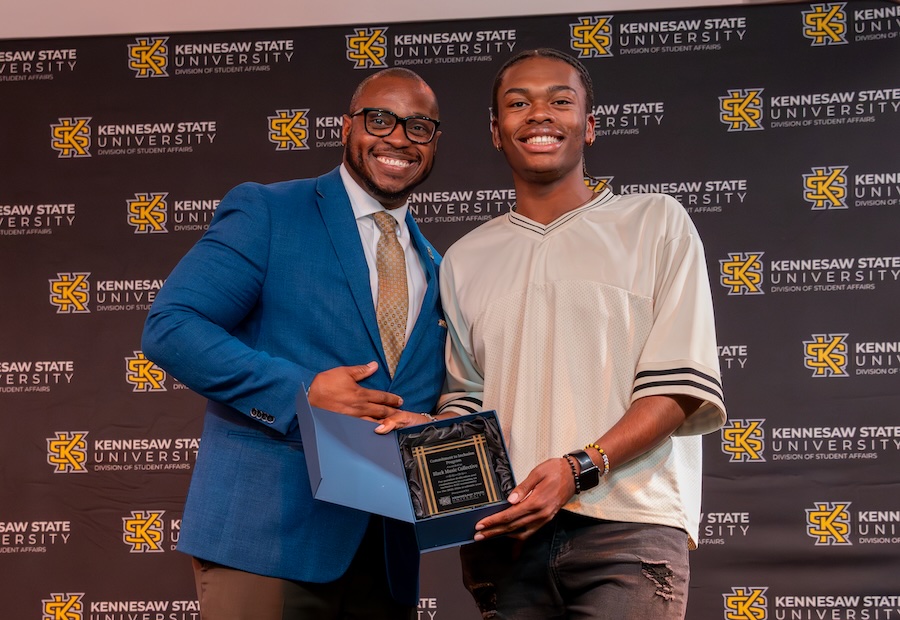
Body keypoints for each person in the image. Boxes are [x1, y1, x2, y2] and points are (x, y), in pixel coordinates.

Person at [142, 68, 449, 620]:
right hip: (267, 538)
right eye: (380, 119)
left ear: (434, 142)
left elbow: (434, 394)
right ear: (345, 127)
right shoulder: (269, 212)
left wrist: (433, 425)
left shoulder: (441, 267)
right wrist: (302, 391)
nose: (399, 138)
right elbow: (173, 324)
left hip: (385, 556)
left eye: (419, 127)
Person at [436, 49, 727, 619]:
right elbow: (465, 400)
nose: (539, 114)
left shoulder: (656, 223)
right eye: (518, 103)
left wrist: (578, 467)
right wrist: (424, 436)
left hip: (628, 530)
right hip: (508, 539)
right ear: (497, 132)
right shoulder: (464, 259)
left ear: (588, 126)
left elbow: (676, 391)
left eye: (560, 101)